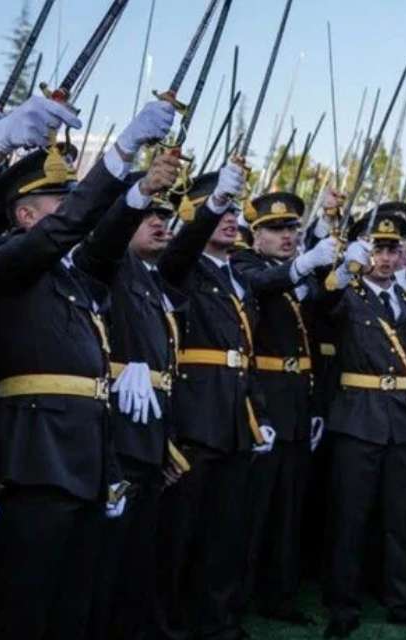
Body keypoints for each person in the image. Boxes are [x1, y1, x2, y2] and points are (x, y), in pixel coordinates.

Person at [0, 97, 174, 639]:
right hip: (36, 455)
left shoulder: (73, 277)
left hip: (88, 455)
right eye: (59, 202)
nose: (73, 212)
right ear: (26, 214)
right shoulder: (11, 259)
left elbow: (103, 238)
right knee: (28, 603)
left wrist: (139, 190)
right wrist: (118, 152)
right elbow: (67, 230)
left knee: (73, 603)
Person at [154, 163, 275, 640]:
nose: (229, 219)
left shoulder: (236, 277)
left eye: (230, 211)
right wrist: (214, 204)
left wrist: (259, 414)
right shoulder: (182, 264)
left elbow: (245, 355)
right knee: (180, 535)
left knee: (225, 535)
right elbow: (181, 247)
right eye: (215, 210)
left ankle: (218, 622)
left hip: (234, 418)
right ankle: (169, 626)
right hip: (195, 417)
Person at [317, 211, 406, 638]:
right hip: (357, 417)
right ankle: (343, 605)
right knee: (350, 517)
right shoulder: (347, 295)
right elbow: (319, 304)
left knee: (399, 518)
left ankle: (401, 600)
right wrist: (342, 266)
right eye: (377, 250)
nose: (385, 258)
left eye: (391, 250)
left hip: (402, 420)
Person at [83, 159, 187, 640]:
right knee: (106, 557)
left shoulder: (148, 277)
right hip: (114, 434)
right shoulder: (108, 264)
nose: (159, 222)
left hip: (147, 433)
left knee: (138, 552)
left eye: (164, 215)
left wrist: (165, 441)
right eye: (148, 215)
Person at [231, 191, 337, 625]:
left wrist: (338, 270)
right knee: (252, 512)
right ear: (255, 236)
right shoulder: (245, 265)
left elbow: (321, 311)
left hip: (296, 399)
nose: (288, 236)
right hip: (263, 400)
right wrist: (305, 264)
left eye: (292, 229)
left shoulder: (295, 274)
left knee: (288, 510)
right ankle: (236, 600)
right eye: (276, 230)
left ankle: (280, 595)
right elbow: (262, 285)